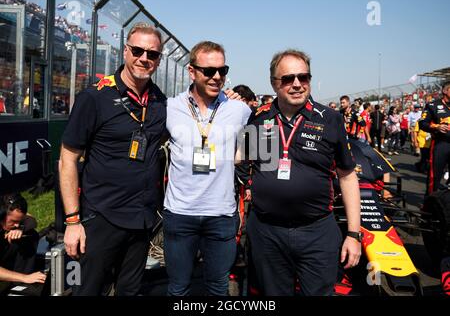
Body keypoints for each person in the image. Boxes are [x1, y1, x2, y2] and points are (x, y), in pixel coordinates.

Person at [59, 22, 167, 296]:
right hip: (101, 218)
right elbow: (67, 160)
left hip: (141, 220)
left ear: (159, 59)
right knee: (87, 290)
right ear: (125, 51)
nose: (144, 58)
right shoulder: (94, 97)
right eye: (138, 50)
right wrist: (72, 222)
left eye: (152, 54)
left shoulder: (159, 101)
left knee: (129, 292)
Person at [242, 49, 361, 296]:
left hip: (316, 232)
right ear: (274, 84)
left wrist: (353, 234)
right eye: (287, 79)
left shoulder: (330, 119)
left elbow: (348, 177)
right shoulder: (259, 118)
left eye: (303, 77)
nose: (297, 84)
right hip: (267, 232)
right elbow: (241, 160)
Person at [163, 41, 252, 296]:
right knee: (178, 288)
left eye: (222, 71)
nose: (217, 77)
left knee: (218, 287)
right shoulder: (170, 108)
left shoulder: (240, 109)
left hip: (221, 216)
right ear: (192, 72)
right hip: (180, 213)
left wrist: (229, 158)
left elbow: (254, 153)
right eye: (209, 71)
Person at [0, 194, 46, 292]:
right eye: (13, 221)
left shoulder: (11, 214)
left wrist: (21, 229)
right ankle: (20, 279)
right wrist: (24, 277)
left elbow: (32, 220)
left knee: (30, 234)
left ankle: (18, 285)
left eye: (19, 221)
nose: (16, 224)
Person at [419, 80, 450, 195]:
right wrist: (436, 127)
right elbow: (422, 123)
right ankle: (428, 206)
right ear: (445, 91)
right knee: (434, 177)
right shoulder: (433, 105)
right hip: (441, 145)